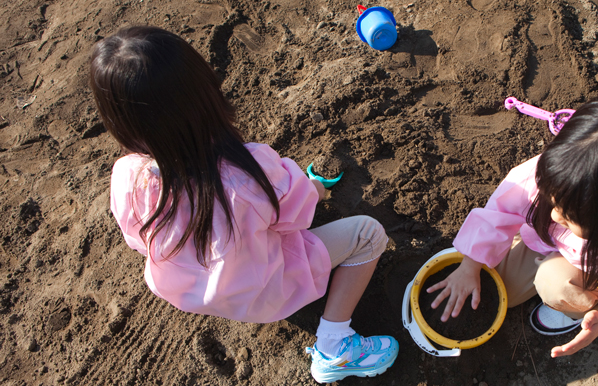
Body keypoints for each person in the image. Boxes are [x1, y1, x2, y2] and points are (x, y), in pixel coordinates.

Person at [89, 26, 398, 383]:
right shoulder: (245, 170)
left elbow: (136, 240)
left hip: (193, 292)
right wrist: (315, 188)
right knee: (368, 234)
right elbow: (298, 214)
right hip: (267, 290)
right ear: (204, 93)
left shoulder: (128, 176)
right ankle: (334, 345)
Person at [427, 93, 598, 356]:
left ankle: (580, 306)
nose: (554, 215)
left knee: (555, 286)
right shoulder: (567, 175)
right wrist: (470, 266)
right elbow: (500, 211)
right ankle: (537, 264)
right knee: (503, 292)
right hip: (549, 243)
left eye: (570, 215)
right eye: (554, 202)